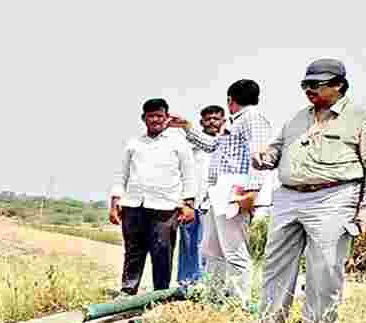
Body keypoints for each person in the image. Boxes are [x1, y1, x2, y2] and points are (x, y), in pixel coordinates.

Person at [253, 59, 366, 323]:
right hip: (288, 196)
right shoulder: (297, 118)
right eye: (305, 84)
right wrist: (266, 156)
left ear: (338, 84)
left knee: (324, 267)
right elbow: (277, 148)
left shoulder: (361, 117)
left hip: (334, 196)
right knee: (276, 264)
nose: (309, 89)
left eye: (316, 84)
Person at [178, 80, 274, 305]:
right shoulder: (235, 122)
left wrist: (251, 191)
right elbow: (212, 146)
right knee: (211, 249)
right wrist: (187, 127)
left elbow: (258, 155)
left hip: (235, 191)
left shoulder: (253, 118)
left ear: (231, 100)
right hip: (218, 192)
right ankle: (213, 299)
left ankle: (239, 304)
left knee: (234, 251)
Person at [110, 98, 198, 295]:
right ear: (144, 118)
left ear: (167, 118)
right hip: (134, 204)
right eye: (151, 116)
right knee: (133, 250)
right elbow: (121, 174)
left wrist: (189, 204)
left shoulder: (179, 144)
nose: (156, 120)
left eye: (160, 115)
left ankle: (160, 294)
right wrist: (115, 201)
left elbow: (189, 175)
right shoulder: (133, 143)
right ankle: (128, 291)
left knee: (162, 251)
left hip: (166, 207)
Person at [175, 105, 224, 287]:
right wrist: (183, 201)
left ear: (223, 121)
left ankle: (209, 284)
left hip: (217, 203)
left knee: (212, 246)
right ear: (201, 122)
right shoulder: (189, 146)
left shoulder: (227, 143)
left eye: (216, 118)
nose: (212, 122)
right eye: (208, 119)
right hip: (192, 201)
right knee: (189, 242)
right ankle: (187, 284)